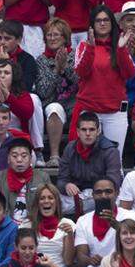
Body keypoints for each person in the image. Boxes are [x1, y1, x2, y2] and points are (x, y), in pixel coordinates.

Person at [71, 5, 135, 159]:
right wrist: (91, 48)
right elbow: (81, 72)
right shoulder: (83, 46)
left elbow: (129, 73)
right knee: (86, 158)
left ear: (112, 23)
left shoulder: (120, 45)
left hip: (115, 112)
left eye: (106, 20)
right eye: (98, 20)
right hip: (90, 110)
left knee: (115, 159)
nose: (102, 23)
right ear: (92, 24)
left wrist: (120, 50)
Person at [72, 178, 135, 267]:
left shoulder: (129, 215)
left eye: (108, 192)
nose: (103, 196)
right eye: (99, 192)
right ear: (93, 195)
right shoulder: (83, 220)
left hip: (123, 266)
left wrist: (116, 225)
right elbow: (81, 255)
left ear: (117, 193)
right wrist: (90, 260)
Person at [36, 18, 78, 167]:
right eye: (49, 35)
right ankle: (54, 156)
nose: (52, 38)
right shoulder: (41, 60)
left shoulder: (75, 55)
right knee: (55, 109)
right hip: (52, 103)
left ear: (65, 38)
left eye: (56, 35)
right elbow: (43, 91)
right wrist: (56, 71)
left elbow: (80, 82)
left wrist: (65, 67)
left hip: (73, 103)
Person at [0, 140, 52, 227]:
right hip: (5, 228)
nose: (19, 160)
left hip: (35, 227)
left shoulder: (43, 177)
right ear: (8, 159)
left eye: (24, 156)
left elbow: (51, 204)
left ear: (30, 158)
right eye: (14, 156)